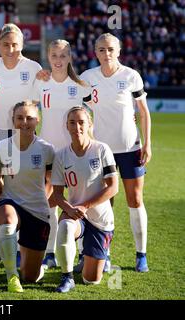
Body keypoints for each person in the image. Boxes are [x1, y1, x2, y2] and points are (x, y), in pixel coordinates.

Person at [80, 33, 152, 272]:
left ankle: (141, 255)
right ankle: (105, 254)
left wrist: (147, 144)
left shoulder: (131, 76)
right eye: (101, 49)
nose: (106, 53)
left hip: (130, 148)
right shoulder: (88, 77)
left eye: (110, 49)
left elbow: (143, 112)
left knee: (135, 200)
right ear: (95, 52)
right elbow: (83, 109)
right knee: (104, 203)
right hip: (101, 151)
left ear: (118, 51)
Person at [0, 23, 43, 267]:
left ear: (22, 45)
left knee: (22, 191)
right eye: (6, 44)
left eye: (15, 45)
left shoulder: (33, 68)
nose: (10, 49)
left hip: (23, 136)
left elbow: (38, 101)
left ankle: (20, 248)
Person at [33, 39, 92, 271]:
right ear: (48, 57)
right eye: (54, 56)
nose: (58, 60)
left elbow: (95, 112)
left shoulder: (81, 86)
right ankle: (49, 252)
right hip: (48, 151)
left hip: (74, 152)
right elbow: (29, 109)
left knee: (77, 202)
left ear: (70, 58)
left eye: (63, 56)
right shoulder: (41, 83)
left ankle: (79, 252)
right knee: (50, 203)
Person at [52, 106, 118, 293]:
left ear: (90, 124)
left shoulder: (101, 149)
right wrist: (69, 208)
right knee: (64, 227)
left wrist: (85, 205)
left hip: (100, 220)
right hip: (76, 215)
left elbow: (113, 187)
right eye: (72, 122)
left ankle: (91, 256)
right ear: (67, 126)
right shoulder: (61, 155)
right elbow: (57, 194)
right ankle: (67, 278)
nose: (77, 127)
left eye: (81, 122)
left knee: (91, 280)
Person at [0, 100, 54, 293]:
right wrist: (5, 194)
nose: (24, 122)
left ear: (37, 121)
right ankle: (11, 276)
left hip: (37, 210)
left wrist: (41, 197)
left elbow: (51, 180)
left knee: (31, 276)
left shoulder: (46, 149)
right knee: (8, 219)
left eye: (29, 118)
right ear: (13, 120)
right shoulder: (1, 147)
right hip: (10, 202)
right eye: (19, 118)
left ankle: (38, 269)